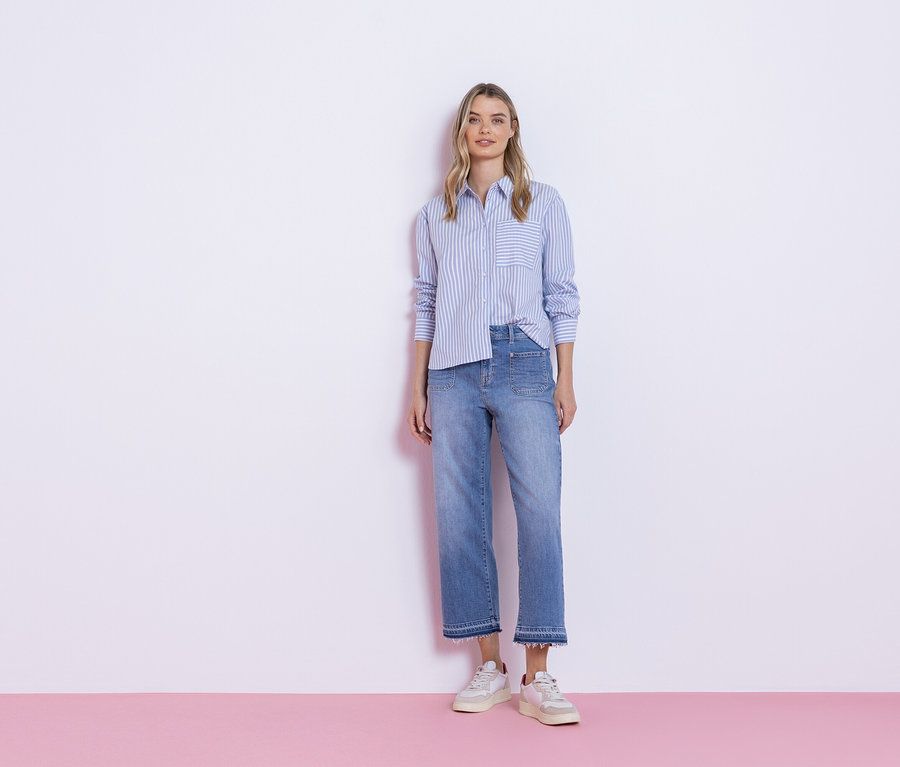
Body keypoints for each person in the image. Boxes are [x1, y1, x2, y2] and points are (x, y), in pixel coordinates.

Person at [406, 82, 581, 726]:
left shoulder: (542, 205)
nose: (485, 129)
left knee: (540, 514)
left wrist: (565, 376)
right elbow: (425, 301)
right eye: (475, 119)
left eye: (497, 119)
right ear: (462, 131)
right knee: (460, 515)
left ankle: (538, 674)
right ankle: (489, 663)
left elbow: (562, 292)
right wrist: (416, 384)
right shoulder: (437, 214)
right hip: (451, 370)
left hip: (525, 363)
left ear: (513, 131)